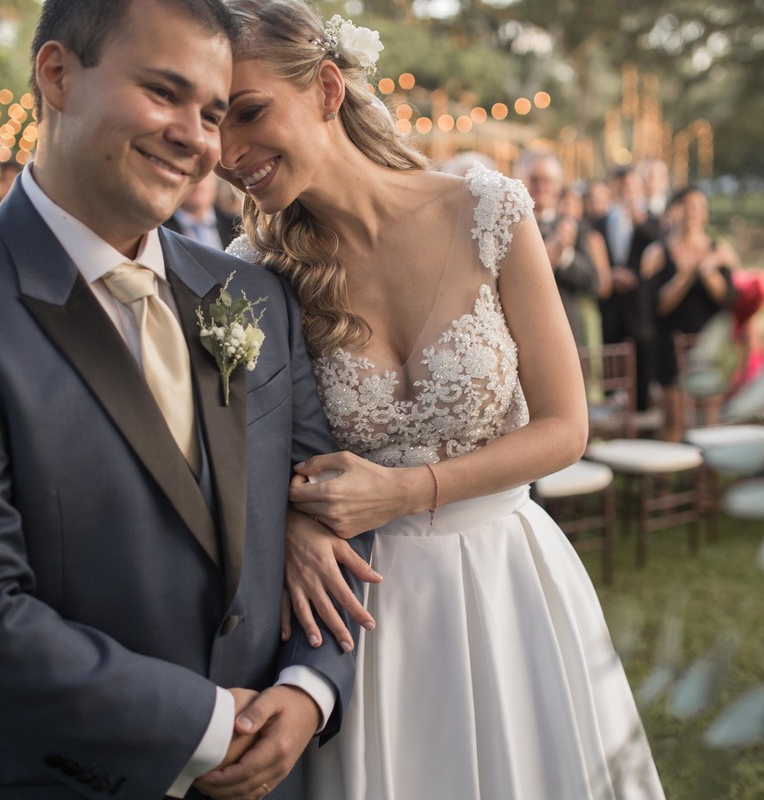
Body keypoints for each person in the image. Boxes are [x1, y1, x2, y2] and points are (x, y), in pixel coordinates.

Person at [0, 1, 369, 798]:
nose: (195, 136)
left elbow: (325, 504)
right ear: (57, 75)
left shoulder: (251, 293)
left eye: (213, 113)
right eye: (162, 91)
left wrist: (309, 689)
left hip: (279, 771)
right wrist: (208, 726)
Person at [215, 2, 665, 798]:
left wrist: (405, 489)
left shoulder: (486, 210)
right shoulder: (252, 272)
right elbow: (236, 450)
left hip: (506, 579)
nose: (229, 153)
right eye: (216, 125)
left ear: (326, 88)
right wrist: (289, 521)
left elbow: (566, 427)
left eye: (249, 113)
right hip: (361, 605)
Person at [642, 186, 738, 441]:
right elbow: (656, 307)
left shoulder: (720, 250)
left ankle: (707, 480)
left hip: (710, 345)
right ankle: (668, 478)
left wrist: (708, 273)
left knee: (710, 420)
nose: (692, 212)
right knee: (674, 420)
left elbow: (728, 300)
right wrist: (685, 274)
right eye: (686, 206)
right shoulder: (656, 253)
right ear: (674, 211)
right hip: (670, 345)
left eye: (698, 207)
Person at [517, 150, 607, 347]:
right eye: (534, 179)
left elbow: (594, 282)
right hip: (521, 332)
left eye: (547, 181)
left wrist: (565, 255)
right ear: (521, 180)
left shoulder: (574, 227)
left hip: (567, 333)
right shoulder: (510, 227)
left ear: (557, 186)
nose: (541, 187)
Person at [594, 166, 661, 411]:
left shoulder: (652, 221)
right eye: (621, 188)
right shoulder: (598, 222)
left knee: (643, 361)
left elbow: (660, 248)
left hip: (642, 306)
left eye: (631, 187)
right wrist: (609, 274)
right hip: (611, 305)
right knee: (611, 359)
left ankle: (641, 414)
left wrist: (639, 220)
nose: (627, 193)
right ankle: (613, 418)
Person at [165, 171, 239, 249]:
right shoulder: (159, 230)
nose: (199, 183)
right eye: (190, 175)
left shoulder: (236, 226)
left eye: (205, 175)